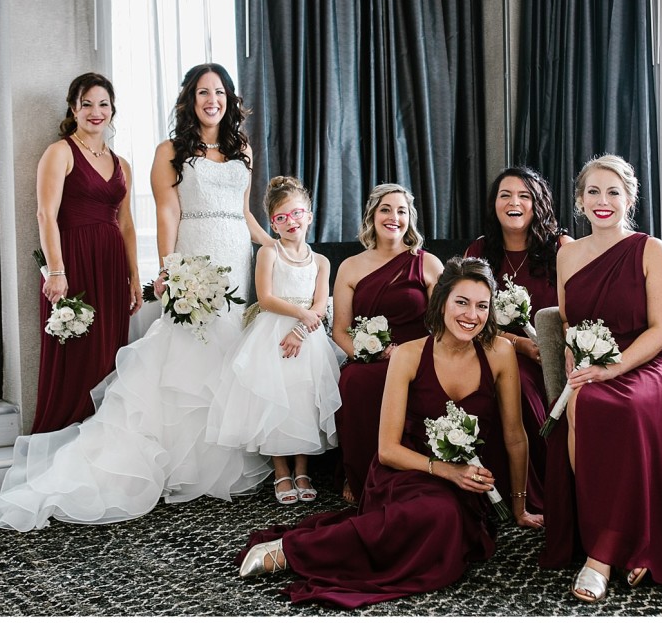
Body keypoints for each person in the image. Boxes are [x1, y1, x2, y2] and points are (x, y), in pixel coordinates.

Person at [0, 63, 272, 531]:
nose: (212, 100)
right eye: (203, 92)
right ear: (189, 100)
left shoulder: (243, 150)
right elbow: (164, 213)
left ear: (230, 99)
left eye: (219, 92)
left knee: (227, 353)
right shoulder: (166, 151)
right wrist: (169, 267)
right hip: (192, 254)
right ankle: (162, 458)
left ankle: (222, 455)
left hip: (235, 254)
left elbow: (243, 212)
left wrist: (273, 242)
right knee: (184, 357)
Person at [235, 256, 544, 608]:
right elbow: (387, 450)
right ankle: (291, 551)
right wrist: (446, 471)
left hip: (468, 481)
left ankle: (341, 542)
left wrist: (518, 507)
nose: (471, 315)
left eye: (482, 306)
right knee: (437, 515)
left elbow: (515, 436)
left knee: (447, 519)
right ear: (441, 302)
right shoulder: (409, 355)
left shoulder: (500, 352)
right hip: (405, 473)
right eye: (461, 302)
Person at [541, 154, 662, 603]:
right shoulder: (567, 256)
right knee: (586, 403)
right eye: (593, 192)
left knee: (629, 406)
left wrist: (613, 367)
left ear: (628, 198)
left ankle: (600, 555)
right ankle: (612, 536)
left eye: (613, 192)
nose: (603, 201)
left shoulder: (651, 248)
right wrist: (575, 372)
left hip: (657, 363)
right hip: (594, 365)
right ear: (579, 200)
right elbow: (567, 327)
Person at [206, 176, 341, 504]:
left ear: (309, 215)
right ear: (273, 224)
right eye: (281, 218)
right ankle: (281, 472)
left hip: (307, 337)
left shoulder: (321, 261)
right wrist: (300, 315)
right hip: (271, 335)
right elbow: (265, 297)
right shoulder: (269, 252)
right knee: (273, 399)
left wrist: (303, 327)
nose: (291, 222)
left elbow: (320, 304)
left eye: (297, 214)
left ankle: (302, 469)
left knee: (303, 401)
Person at [33, 73, 142, 433]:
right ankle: (65, 435)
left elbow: (126, 225)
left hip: (111, 268)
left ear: (112, 110)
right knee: (77, 355)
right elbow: (46, 214)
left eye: (103, 104)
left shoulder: (122, 164)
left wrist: (134, 278)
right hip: (75, 263)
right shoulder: (60, 152)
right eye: (87, 104)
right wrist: (57, 271)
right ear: (73, 108)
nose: (96, 112)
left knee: (108, 353)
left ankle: (100, 436)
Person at [465, 166, 572, 512]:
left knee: (534, 388)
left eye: (524, 195)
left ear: (538, 203)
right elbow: (470, 320)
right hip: (497, 351)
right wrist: (520, 343)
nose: (514, 202)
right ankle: (508, 492)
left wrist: (561, 347)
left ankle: (549, 488)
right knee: (508, 385)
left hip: (556, 354)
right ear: (494, 204)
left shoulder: (561, 247)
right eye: (505, 195)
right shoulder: (479, 250)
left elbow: (578, 308)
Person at [331, 183, 444, 503]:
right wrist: (370, 354)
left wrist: (411, 354)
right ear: (372, 215)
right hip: (370, 360)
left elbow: (442, 325)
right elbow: (340, 330)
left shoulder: (428, 263)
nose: (393, 216)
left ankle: (414, 474)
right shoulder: (350, 266)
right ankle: (359, 475)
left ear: (411, 219)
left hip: (419, 357)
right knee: (353, 382)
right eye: (386, 209)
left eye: (401, 211)